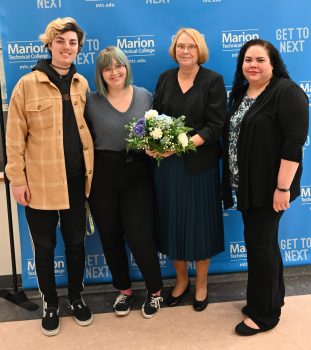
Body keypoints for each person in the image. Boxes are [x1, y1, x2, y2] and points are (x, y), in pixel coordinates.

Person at [5, 17, 94, 336]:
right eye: (61, 41)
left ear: (78, 49)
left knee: (75, 243)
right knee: (43, 248)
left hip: (75, 182)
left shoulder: (82, 84)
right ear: (49, 45)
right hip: (39, 183)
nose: (67, 47)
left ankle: (75, 298)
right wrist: (17, 179)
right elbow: (14, 137)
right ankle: (51, 303)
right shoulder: (27, 85)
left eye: (73, 43)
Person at [222, 39, 309, 336]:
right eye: (248, 60)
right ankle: (271, 298)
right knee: (264, 246)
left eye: (260, 60)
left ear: (273, 63)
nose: (253, 65)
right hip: (247, 187)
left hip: (270, 188)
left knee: (260, 248)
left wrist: (282, 189)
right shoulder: (242, 93)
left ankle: (265, 315)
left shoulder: (287, 92)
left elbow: (293, 145)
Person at [150, 28, 226, 312]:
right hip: (167, 168)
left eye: (191, 47)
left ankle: (202, 283)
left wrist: (179, 146)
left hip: (199, 167)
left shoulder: (213, 80)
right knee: (172, 224)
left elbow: (215, 126)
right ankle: (181, 281)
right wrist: (152, 144)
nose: (185, 51)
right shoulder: (166, 78)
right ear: (174, 50)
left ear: (200, 50)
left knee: (200, 227)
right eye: (180, 46)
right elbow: (156, 117)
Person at [85, 46, 163, 319]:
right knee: (110, 237)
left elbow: (158, 136)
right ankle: (124, 290)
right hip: (103, 177)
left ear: (126, 67)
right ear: (100, 74)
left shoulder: (144, 96)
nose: (115, 72)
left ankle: (155, 291)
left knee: (140, 237)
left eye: (119, 66)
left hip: (137, 175)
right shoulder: (90, 101)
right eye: (108, 68)